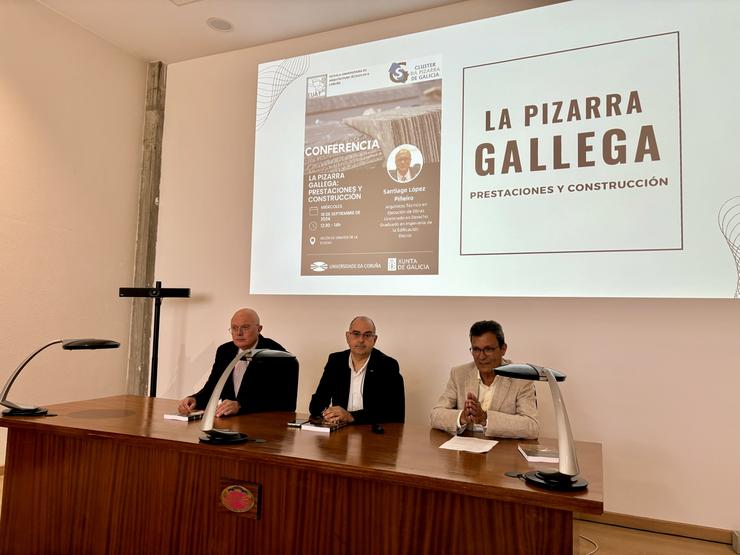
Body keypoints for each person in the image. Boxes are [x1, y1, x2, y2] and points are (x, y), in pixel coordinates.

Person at [177, 308, 298, 417]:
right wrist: (194, 399)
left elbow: (282, 402)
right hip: (230, 424)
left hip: (265, 425)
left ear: (259, 329)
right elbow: (213, 388)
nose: (239, 333)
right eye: (234, 328)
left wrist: (241, 405)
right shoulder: (225, 351)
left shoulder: (277, 355)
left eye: (245, 327)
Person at [430, 320, 539, 438]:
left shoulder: (521, 379)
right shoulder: (459, 374)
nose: (481, 356)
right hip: (465, 452)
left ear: (503, 349)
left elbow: (532, 426)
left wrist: (485, 418)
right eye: (476, 349)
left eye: (488, 349)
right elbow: (436, 415)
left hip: (502, 452)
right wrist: (462, 417)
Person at [309, 316, 405, 425]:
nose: (361, 340)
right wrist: (327, 414)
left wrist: (351, 416)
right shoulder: (336, 361)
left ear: (375, 339)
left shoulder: (387, 365)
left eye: (367, 335)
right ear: (347, 337)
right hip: (340, 433)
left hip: (373, 433)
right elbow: (316, 404)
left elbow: (393, 413)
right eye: (356, 334)